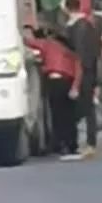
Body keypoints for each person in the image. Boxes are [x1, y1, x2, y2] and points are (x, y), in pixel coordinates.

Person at [25, 25, 82, 157]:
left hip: (55, 82)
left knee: (57, 115)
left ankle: (61, 144)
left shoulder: (49, 44)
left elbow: (29, 42)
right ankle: (72, 144)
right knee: (69, 116)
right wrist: (75, 87)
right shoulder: (71, 51)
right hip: (68, 82)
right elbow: (79, 70)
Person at [62, 0, 100, 156]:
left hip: (81, 71)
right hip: (88, 70)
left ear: (67, 8)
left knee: (83, 108)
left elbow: (78, 53)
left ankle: (85, 142)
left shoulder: (78, 26)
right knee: (88, 107)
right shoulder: (88, 25)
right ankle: (88, 142)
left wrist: (76, 80)